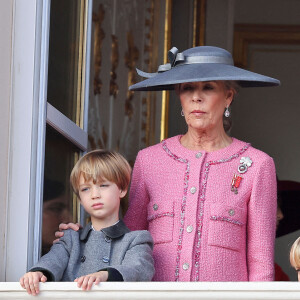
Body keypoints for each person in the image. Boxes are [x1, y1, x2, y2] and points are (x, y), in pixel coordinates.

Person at [56, 46, 279, 281]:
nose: (196, 97)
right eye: (188, 88)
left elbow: (261, 261)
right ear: (179, 97)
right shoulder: (149, 160)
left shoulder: (257, 164)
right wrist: (84, 239)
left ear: (228, 97)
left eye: (208, 88)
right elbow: (125, 240)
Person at [20, 150, 154, 296]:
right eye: (85, 189)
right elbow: (53, 260)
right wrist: (37, 273)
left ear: (121, 189)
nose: (95, 195)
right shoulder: (71, 239)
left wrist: (105, 275)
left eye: (103, 185)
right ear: (80, 200)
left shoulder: (136, 239)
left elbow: (139, 269)